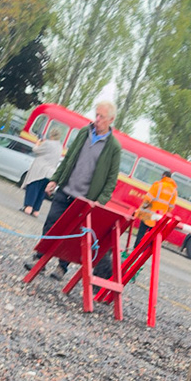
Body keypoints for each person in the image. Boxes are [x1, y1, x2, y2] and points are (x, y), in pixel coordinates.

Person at [27, 100, 120, 277]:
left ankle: (62, 267)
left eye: (102, 117)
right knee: (51, 224)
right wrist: (55, 180)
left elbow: (111, 180)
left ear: (111, 120)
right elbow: (69, 158)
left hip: (84, 200)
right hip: (65, 191)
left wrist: (99, 202)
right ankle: (39, 259)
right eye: (96, 115)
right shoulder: (84, 132)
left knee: (72, 235)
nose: (97, 119)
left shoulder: (114, 147)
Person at [130, 167, 178, 254]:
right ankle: (144, 252)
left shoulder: (158, 185)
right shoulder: (174, 191)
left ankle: (135, 250)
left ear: (164, 176)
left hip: (148, 215)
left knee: (141, 233)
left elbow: (148, 199)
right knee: (150, 236)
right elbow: (171, 207)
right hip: (158, 218)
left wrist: (141, 210)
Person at [21, 138, 63, 215]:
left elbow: (36, 150)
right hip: (50, 172)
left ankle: (28, 207)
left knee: (33, 188)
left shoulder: (47, 143)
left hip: (40, 171)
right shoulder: (60, 147)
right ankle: (36, 210)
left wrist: (38, 143)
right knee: (42, 192)